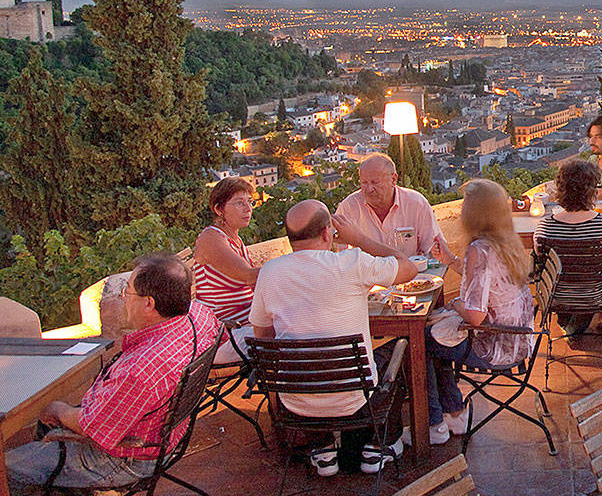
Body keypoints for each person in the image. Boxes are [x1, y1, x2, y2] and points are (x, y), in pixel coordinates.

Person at [6, 253, 223, 493]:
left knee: (0, 471)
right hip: (167, 435)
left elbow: (96, 430)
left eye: (127, 293)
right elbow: (221, 336)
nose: (123, 300)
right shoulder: (198, 315)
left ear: (149, 303)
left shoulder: (142, 369)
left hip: (126, 459)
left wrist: (59, 410)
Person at [250, 199, 418, 476]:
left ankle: (323, 446)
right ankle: (379, 443)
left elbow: (264, 337)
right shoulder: (351, 262)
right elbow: (408, 267)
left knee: (307, 361)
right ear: (328, 233)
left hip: (295, 402)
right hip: (356, 400)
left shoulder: (269, 273)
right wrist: (360, 239)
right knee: (397, 349)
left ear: (289, 238)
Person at [424, 180, 535, 443]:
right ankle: (454, 414)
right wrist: (450, 260)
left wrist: (453, 305)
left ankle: (433, 423)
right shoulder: (505, 241)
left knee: (420, 341)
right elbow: (484, 280)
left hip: (496, 345)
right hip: (520, 337)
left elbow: (475, 316)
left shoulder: (480, 250)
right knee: (432, 338)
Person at [534, 158, 602, 336]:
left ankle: (569, 325)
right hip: (597, 296)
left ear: (561, 190)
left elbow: (541, 262)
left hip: (557, 296)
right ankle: (574, 327)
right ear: (593, 191)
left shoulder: (544, 227)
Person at [334, 154, 456, 267]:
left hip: (410, 281)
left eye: (375, 182)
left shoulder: (416, 204)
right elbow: (338, 256)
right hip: (368, 284)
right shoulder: (349, 208)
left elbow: (432, 250)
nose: (369, 189)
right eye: (364, 183)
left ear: (394, 180)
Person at [194, 176, 259, 363]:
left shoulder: (236, 240)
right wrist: (292, 268)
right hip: (222, 336)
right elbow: (248, 276)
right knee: (292, 337)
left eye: (249, 201)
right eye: (239, 203)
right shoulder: (211, 239)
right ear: (218, 209)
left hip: (242, 328)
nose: (248, 208)